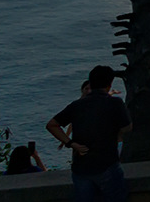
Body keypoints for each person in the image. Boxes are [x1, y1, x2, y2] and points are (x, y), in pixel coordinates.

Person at [48, 65, 133, 202]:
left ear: (91, 83)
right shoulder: (114, 103)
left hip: (81, 168)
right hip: (107, 164)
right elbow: (127, 127)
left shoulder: (77, 105)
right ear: (109, 84)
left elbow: (52, 125)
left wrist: (70, 143)